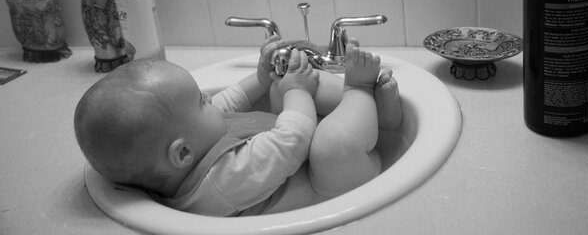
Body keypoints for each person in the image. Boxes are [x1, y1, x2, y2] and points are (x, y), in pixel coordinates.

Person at [74, 35, 403, 217]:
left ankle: (379, 116)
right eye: (200, 101)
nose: (208, 98)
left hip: (302, 155)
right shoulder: (219, 182)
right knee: (331, 145)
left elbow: (227, 104)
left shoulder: (189, 139)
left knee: (277, 88)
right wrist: (296, 90)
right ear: (183, 152)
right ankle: (360, 93)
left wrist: (262, 79)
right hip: (331, 182)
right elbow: (294, 138)